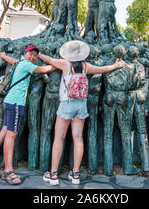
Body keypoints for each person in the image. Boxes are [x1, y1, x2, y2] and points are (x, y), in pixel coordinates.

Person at [38, 40, 125, 186]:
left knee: (59, 138)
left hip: (67, 104)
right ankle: (76, 173)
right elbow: (103, 69)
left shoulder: (65, 64)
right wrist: (116, 65)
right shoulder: (86, 66)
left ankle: (53, 175)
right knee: (78, 137)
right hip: (81, 105)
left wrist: (39, 53)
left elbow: (49, 60)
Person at [0, 45, 55, 185]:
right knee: (11, 135)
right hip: (16, 104)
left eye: (36, 55)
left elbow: (12, 60)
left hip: (9, 101)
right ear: (25, 53)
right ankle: (8, 171)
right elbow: (44, 69)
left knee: (4, 132)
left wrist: (3, 56)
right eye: (31, 54)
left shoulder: (19, 62)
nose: (33, 57)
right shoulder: (27, 65)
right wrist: (59, 63)